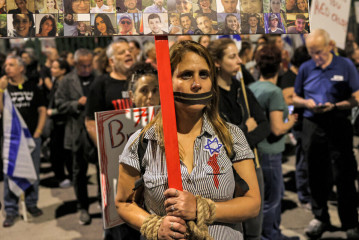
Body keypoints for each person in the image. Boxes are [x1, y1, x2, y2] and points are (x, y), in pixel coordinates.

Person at [115, 40, 260, 240]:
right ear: (166, 80)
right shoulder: (142, 142)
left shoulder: (231, 136)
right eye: (186, 75)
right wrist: (155, 226)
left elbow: (252, 203)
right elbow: (123, 203)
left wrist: (202, 209)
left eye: (204, 74)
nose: (197, 84)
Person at [293, 29, 359, 240]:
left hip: (338, 122)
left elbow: (356, 98)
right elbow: (295, 97)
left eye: (319, 52)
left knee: (345, 174)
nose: (316, 57)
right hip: (313, 124)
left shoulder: (345, 65)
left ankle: (350, 222)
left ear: (330, 45)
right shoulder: (306, 67)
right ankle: (320, 217)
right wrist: (306, 103)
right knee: (315, 173)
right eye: (312, 53)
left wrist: (336, 105)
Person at [208, 38, 270, 240]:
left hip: (251, 163)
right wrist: (245, 128)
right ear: (217, 62)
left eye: (238, 55)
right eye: (232, 56)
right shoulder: (210, 94)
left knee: (254, 228)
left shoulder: (241, 87)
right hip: (223, 169)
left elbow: (264, 124)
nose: (239, 61)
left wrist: (243, 139)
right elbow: (220, 136)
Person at [249, 45, 298, 240]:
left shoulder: (251, 88)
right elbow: (277, 128)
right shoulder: (275, 92)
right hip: (271, 152)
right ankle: (272, 235)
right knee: (272, 198)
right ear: (279, 67)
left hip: (256, 151)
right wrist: (292, 121)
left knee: (262, 197)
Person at [1, 55, 47, 228]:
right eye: (6, 65)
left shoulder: (32, 87)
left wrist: (38, 132)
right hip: (11, 140)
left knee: (32, 172)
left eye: (11, 65)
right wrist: (0, 90)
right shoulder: (3, 88)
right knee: (10, 173)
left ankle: (31, 204)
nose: (7, 68)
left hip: (31, 138)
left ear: (21, 68)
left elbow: (42, 110)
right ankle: (11, 209)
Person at [55, 49, 97, 226]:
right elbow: (59, 104)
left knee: (102, 171)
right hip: (76, 134)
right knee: (79, 173)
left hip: (96, 132)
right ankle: (83, 208)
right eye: (83, 66)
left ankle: (105, 205)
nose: (87, 69)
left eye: (89, 65)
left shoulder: (99, 77)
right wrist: (75, 104)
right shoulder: (66, 81)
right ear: (76, 64)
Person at [277, 46, 311, 211]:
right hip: (298, 125)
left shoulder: (300, 75)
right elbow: (288, 100)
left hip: (307, 123)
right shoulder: (289, 77)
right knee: (303, 161)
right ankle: (304, 195)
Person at [47, 58, 72, 188]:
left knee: (63, 151)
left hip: (64, 122)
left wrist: (53, 112)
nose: (52, 69)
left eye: (55, 67)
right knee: (56, 151)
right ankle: (62, 177)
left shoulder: (67, 83)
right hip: (57, 123)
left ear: (63, 70)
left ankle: (66, 178)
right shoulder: (56, 81)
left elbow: (65, 103)